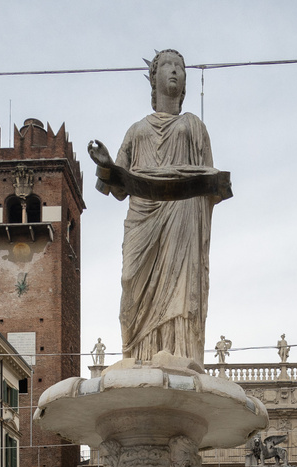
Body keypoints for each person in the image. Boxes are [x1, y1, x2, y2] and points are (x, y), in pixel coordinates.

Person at [88, 49, 232, 368]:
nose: (174, 71)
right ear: (153, 81)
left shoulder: (193, 126)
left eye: (180, 68)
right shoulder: (137, 130)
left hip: (182, 214)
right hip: (143, 217)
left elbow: (209, 183)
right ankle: (137, 355)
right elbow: (116, 189)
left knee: (179, 287)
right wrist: (106, 163)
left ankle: (178, 353)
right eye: (167, 65)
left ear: (184, 84)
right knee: (131, 282)